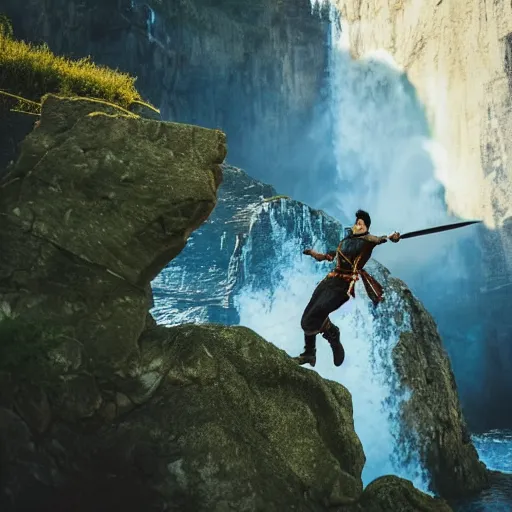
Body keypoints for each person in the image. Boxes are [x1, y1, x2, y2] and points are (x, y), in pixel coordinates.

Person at [294, 209, 401, 368]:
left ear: (365, 228)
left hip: (343, 286)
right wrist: (313, 253)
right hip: (328, 281)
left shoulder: (367, 241)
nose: (357, 226)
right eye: (356, 223)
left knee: (320, 310)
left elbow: (379, 239)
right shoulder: (344, 242)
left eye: (360, 224)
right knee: (308, 316)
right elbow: (328, 256)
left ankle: (332, 335)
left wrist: (391, 237)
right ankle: (309, 353)